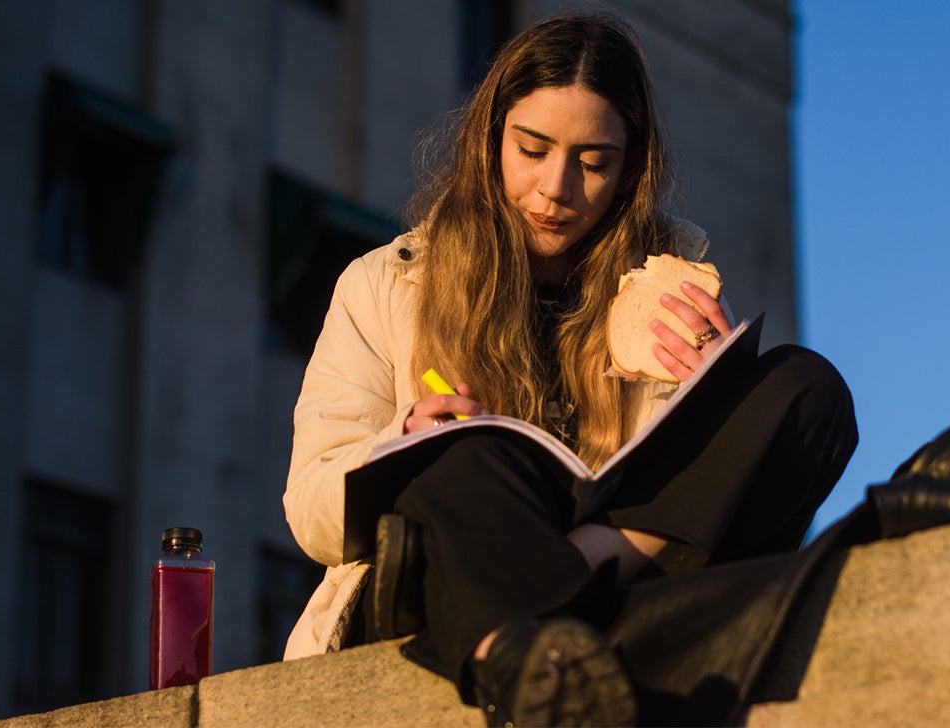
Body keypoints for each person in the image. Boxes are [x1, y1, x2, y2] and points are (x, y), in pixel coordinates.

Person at [281, 10, 857, 727]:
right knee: (469, 452)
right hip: (437, 591)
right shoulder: (384, 284)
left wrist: (707, 392)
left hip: (620, 579)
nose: (557, 188)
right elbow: (309, 511)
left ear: (629, 169)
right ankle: (527, 638)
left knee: (806, 388)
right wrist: (401, 442)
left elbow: (706, 479)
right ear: (490, 140)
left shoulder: (670, 285)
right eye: (532, 149)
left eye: (593, 163)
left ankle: (554, 602)